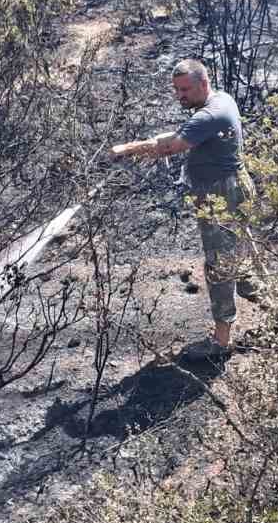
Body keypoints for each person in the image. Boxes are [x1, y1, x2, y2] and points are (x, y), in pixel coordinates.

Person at [111, 59, 261, 357]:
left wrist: (129, 150)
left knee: (219, 267)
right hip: (232, 188)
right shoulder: (220, 100)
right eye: (177, 90)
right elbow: (175, 138)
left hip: (222, 194)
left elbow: (171, 146)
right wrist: (136, 147)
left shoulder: (209, 115)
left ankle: (221, 342)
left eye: (185, 89)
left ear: (203, 84)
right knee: (239, 258)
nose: (180, 96)